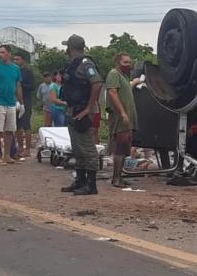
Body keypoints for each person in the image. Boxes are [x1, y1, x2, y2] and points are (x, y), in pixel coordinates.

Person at [59, 34, 103, 196]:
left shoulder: (86, 63)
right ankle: (81, 181)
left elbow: (97, 83)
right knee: (77, 147)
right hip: (73, 109)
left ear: (70, 48)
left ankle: (91, 185)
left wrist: (88, 108)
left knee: (87, 148)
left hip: (83, 111)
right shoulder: (74, 64)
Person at [0, 44, 24, 165]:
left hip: (11, 102)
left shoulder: (15, 68)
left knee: (9, 130)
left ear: (9, 53)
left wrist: (21, 102)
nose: (0, 55)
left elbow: (18, 86)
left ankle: (7, 155)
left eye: (2, 52)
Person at [106, 52, 138, 187]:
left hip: (127, 118)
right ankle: (116, 178)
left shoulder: (123, 76)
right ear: (118, 63)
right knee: (120, 147)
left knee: (125, 148)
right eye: (125, 62)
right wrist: (123, 113)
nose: (128, 65)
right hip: (120, 118)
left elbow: (125, 90)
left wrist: (134, 82)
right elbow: (112, 93)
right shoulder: (113, 74)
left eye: (130, 62)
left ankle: (119, 176)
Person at [13, 50, 34, 157]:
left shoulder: (27, 72)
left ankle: (28, 149)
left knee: (26, 125)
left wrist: (20, 84)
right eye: (14, 59)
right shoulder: (11, 70)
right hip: (14, 100)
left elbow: (32, 87)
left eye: (18, 59)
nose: (15, 61)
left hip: (26, 100)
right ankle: (20, 147)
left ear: (23, 60)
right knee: (17, 126)